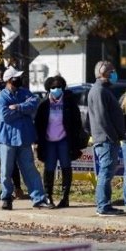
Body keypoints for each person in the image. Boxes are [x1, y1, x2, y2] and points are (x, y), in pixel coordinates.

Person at [0, 66, 53, 210]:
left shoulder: (25, 92)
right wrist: (24, 111)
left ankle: (39, 198)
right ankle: (7, 197)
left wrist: (18, 107)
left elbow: (34, 103)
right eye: (15, 79)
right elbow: (5, 116)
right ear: (8, 81)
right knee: (6, 171)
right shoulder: (1, 97)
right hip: (7, 139)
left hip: (24, 138)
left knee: (30, 169)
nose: (18, 80)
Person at [35, 75, 83, 208]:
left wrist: (75, 139)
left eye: (59, 87)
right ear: (48, 89)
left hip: (64, 140)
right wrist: (38, 142)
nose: (56, 89)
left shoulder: (69, 102)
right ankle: (48, 196)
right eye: (53, 87)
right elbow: (38, 124)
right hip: (48, 141)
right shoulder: (44, 104)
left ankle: (65, 197)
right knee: (49, 168)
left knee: (66, 166)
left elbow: (76, 122)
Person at [85, 61, 125, 216]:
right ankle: (103, 206)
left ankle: (105, 205)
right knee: (105, 173)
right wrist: (114, 136)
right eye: (111, 71)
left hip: (105, 138)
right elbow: (102, 118)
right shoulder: (99, 91)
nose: (114, 73)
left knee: (106, 173)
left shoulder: (100, 90)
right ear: (103, 72)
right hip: (106, 139)